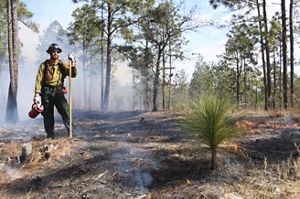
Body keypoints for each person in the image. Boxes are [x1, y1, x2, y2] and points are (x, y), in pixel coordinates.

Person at [34, 43, 77, 139]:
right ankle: (50, 136)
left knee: (66, 111)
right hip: (46, 91)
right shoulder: (44, 65)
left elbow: (73, 74)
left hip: (58, 91)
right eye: (53, 51)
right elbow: (39, 80)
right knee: (47, 114)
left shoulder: (62, 65)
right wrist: (37, 95)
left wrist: (73, 63)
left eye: (57, 51)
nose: (55, 53)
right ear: (50, 53)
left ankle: (73, 134)